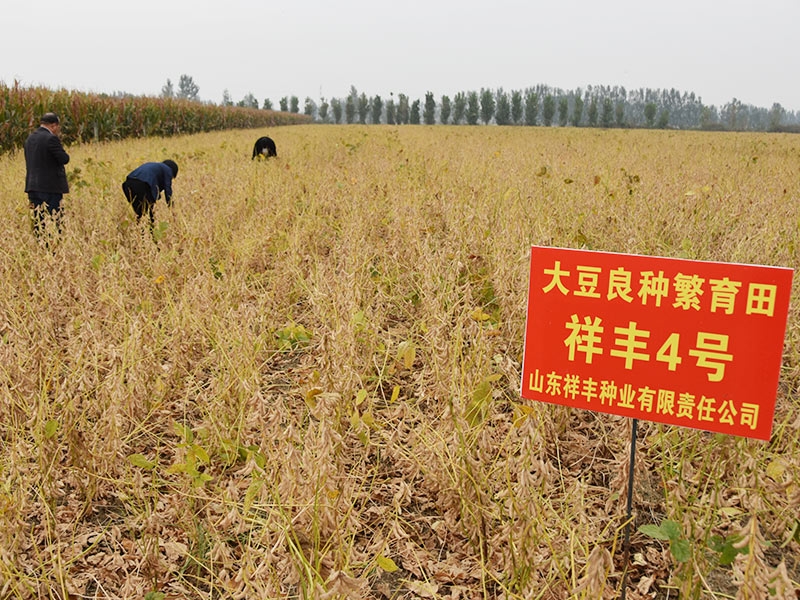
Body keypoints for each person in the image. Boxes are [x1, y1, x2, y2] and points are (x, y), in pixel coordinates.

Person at [24, 112, 70, 236]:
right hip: (50, 188)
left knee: (38, 221)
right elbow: (64, 158)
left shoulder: (30, 138)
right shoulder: (51, 139)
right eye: (58, 127)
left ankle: (42, 247)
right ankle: (58, 246)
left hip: (32, 186)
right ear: (54, 125)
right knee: (57, 220)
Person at [122, 160, 179, 227]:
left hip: (128, 185)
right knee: (149, 213)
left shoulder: (155, 166)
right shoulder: (168, 169)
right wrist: (171, 207)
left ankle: (139, 232)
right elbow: (167, 188)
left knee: (140, 213)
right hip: (142, 185)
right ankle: (150, 233)